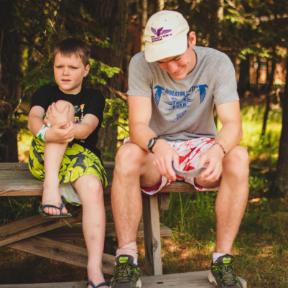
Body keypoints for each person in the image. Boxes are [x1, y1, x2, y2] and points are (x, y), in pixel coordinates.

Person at [110, 10, 249, 288]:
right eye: (162, 62)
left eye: (176, 58)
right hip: (156, 149)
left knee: (239, 156)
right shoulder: (140, 63)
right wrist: (155, 144)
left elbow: (233, 124)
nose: (172, 68)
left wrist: (218, 150)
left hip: (201, 145)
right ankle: (126, 262)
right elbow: (137, 124)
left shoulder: (217, 62)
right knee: (125, 156)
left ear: (191, 39)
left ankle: (222, 261)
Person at [27, 38, 109, 288]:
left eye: (72, 68)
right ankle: (50, 190)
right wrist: (48, 134)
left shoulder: (94, 96)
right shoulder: (45, 93)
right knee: (61, 107)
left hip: (79, 157)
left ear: (86, 69)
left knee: (93, 189)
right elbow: (33, 120)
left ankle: (94, 271)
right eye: (59, 66)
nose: (65, 72)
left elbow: (87, 128)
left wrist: (65, 128)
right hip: (44, 156)